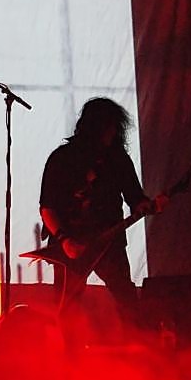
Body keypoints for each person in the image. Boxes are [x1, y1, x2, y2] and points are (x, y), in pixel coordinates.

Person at [39, 97, 166, 352]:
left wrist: (148, 205)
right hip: (70, 246)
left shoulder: (118, 159)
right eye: (109, 127)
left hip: (109, 243)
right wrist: (64, 240)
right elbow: (47, 207)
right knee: (68, 307)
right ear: (96, 127)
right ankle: (72, 360)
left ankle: (140, 354)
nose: (113, 133)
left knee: (127, 300)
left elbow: (135, 198)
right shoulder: (62, 159)